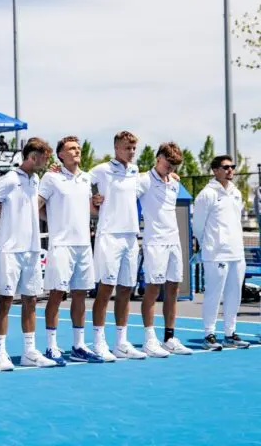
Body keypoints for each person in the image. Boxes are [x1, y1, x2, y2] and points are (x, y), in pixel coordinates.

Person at [0, 138, 57, 370]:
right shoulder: (8, 179)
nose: (47, 161)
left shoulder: (36, 179)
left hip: (31, 249)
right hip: (9, 250)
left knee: (31, 300)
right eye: (44, 157)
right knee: (6, 301)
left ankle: (29, 351)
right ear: (32, 156)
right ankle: (0, 352)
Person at [39, 136, 104, 365]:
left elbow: (91, 213)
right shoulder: (51, 177)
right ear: (61, 155)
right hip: (61, 246)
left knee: (80, 294)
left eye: (78, 148)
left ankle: (78, 346)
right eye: (71, 149)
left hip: (84, 245)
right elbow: (36, 207)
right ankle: (51, 346)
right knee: (56, 294)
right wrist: (54, 221)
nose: (76, 151)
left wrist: (97, 204)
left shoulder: (86, 179)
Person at [89, 131, 146, 361]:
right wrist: (93, 197)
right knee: (105, 289)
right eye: (127, 148)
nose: (131, 152)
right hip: (109, 236)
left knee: (125, 290)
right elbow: (82, 182)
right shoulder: (101, 170)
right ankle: (98, 342)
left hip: (131, 237)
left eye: (133, 148)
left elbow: (153, 180)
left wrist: (172, 176)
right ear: (116, 148)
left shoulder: (135, 171)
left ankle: (121, 342)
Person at [136, 142, 194, 356]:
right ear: (158, 158)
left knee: (173, 289)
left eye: (174, 166)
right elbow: (121, 193)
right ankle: (149, 340)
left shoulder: (174, 183)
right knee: (153, 289)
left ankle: (169, 338)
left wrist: (172, 175)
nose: (171, 169)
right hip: (154, 243)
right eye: (168, 164)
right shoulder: (142, 180)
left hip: (174, 242)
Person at [193, 155, 250, 349]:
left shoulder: (236, 192)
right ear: (215, 170)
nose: (230, 170)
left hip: (237, 252)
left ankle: (229, 333)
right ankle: (209, 334)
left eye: (232, 167)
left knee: (235, 294)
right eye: (226, 167)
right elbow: (198, 226)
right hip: (215, 253)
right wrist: (207, 245)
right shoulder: (207, 194)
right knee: (213, 295)